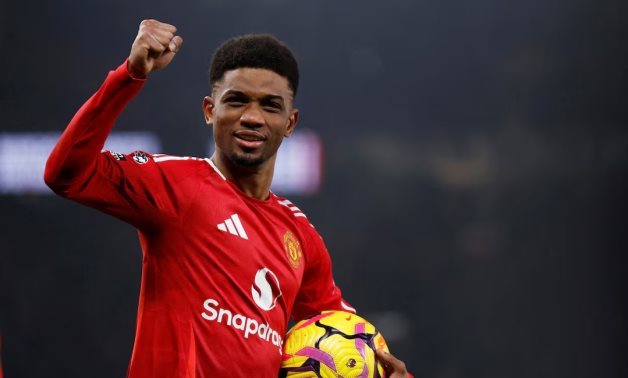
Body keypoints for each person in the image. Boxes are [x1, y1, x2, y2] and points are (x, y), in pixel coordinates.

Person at [45, 19, 409, 377]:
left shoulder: (299, 235)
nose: (252, 117)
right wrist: (129, 76)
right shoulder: (176, 184)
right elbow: (65, 174)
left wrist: (391, 371)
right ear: (210, 111)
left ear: (290, 123)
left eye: (270, 105)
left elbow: (347, 331)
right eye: (236, 101)